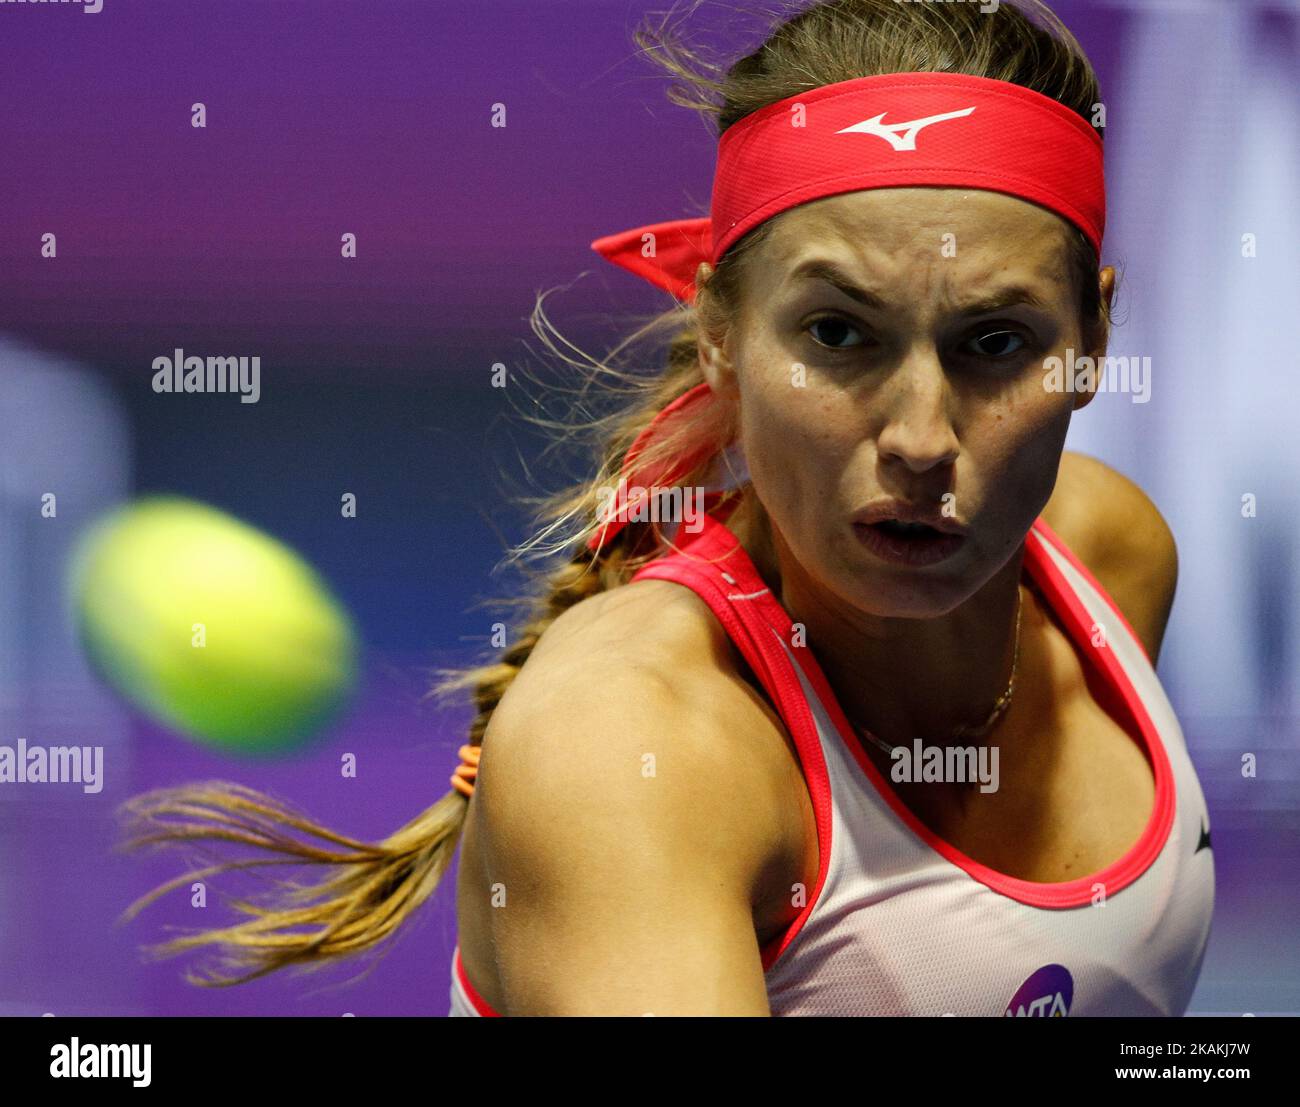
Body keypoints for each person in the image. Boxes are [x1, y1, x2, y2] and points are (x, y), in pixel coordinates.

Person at [121, 0, 1215, 1016]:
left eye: (995, 344)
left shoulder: (1110, 552)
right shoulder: (627, 751)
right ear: (722, 335)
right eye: (838, 335)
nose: (921, 438)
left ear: (1092, 343)